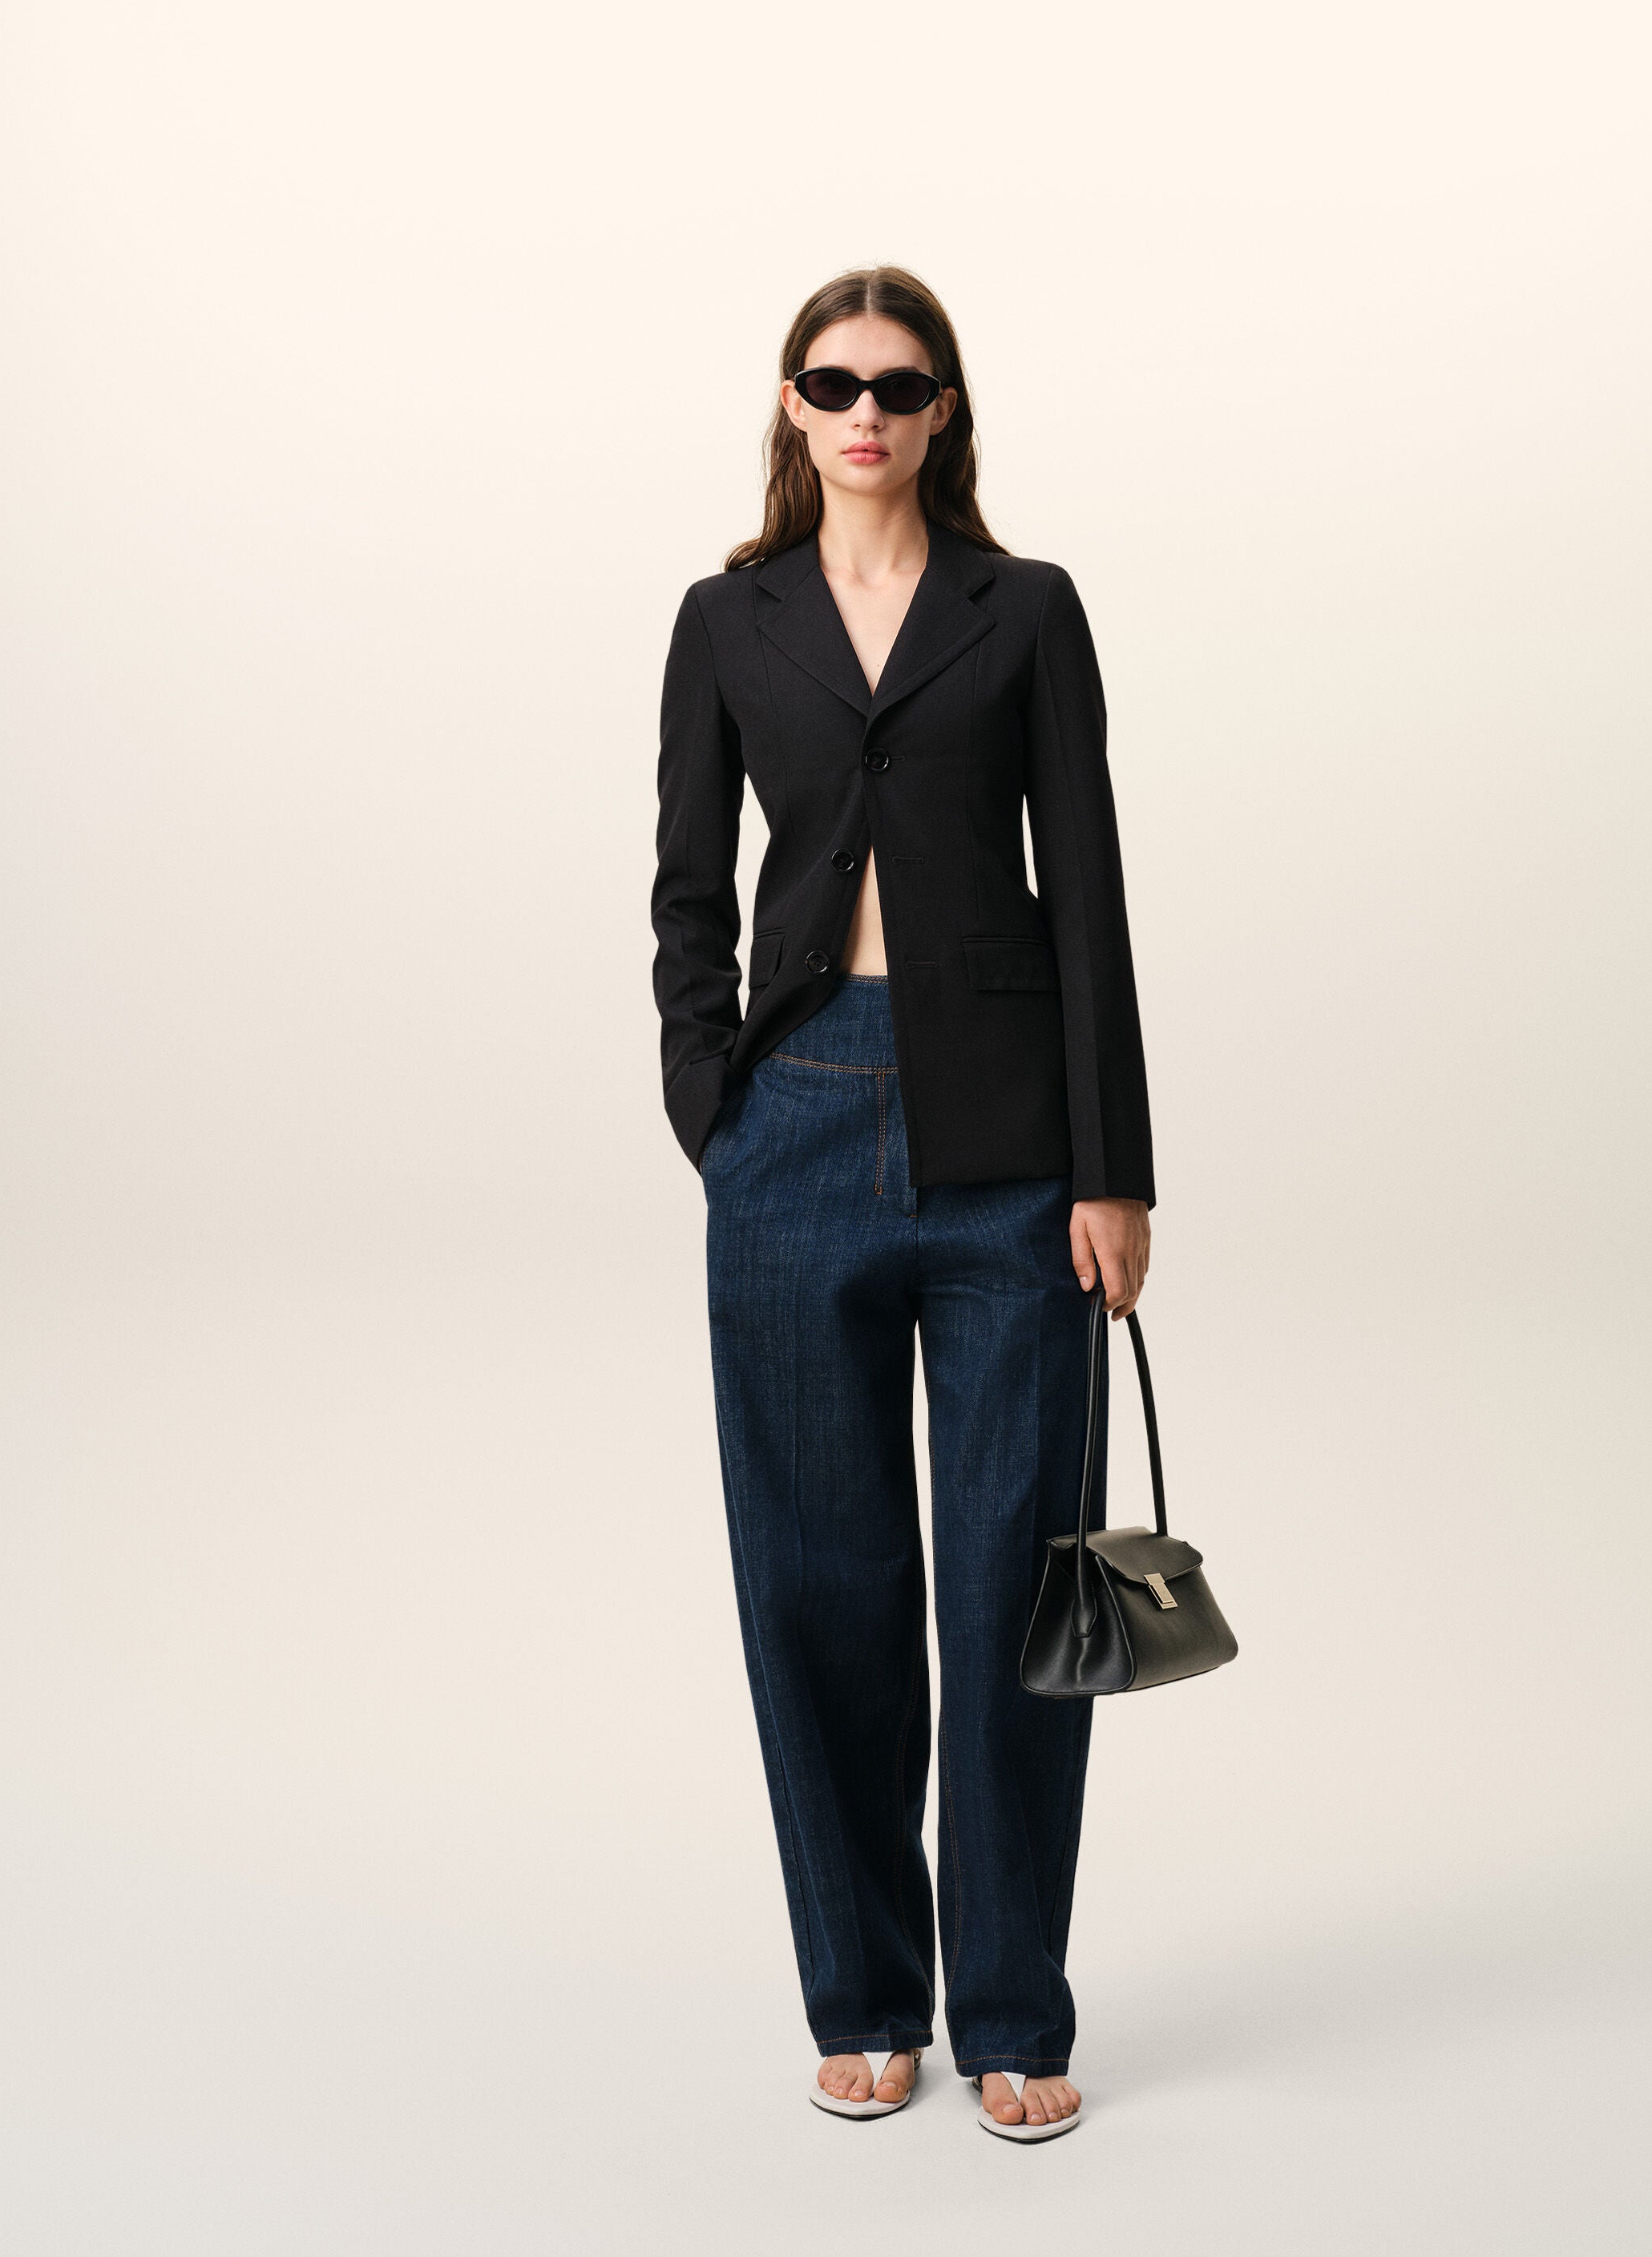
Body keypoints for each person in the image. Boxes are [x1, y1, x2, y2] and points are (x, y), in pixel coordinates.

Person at [650, 264, 1154, 2142]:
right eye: (833, 380)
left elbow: (1087, 888)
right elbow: (686, 883)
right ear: (792, 405)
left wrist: (1114, 1167)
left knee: (1018, 1589)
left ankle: (1011, 2008)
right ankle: (863, 1995)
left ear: (946, 411)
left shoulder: (1027, 609)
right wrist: (713, 1102)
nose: (865, 410)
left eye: (900, 383)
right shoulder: (728, 618)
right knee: (822, 1586)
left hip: (1010, 1145)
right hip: (791, 1127)